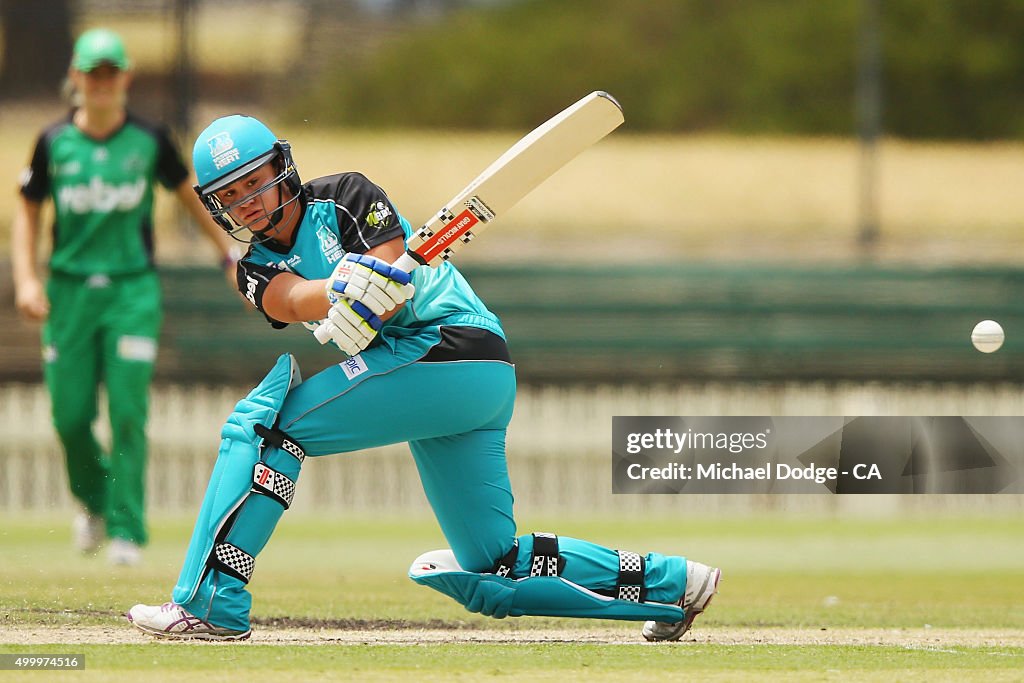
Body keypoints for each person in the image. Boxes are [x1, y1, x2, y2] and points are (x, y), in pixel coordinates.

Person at [126, 114, 720, 641]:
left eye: (255, 181)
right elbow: (290, 298)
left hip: (452, 347)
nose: (249, 201)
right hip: (455, 382)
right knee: (492, 565)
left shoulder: (347, 196)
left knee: (270, 430)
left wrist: (364, 297)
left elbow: (388, 278)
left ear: (283, 168)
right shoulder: (253, 267)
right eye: (232, 194)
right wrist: (334, 293)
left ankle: (213, 603)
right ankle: (676, 584)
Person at [11, 29, 238, 566]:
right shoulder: (52, 143)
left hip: (132, 291)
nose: (103, 85)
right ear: (76, 79)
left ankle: (126, 530)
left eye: (112, 74)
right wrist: (26, 279)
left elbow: (189, 197)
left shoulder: (150, 140)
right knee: (69, 417)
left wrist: (228, 254)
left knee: (129, 412)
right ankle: (94, 502)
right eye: (93, 75)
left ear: (126, 78)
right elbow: (27, 211)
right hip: (69, 295)